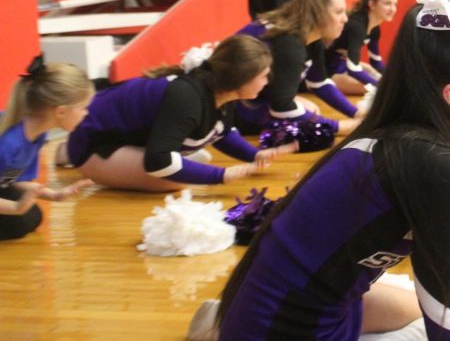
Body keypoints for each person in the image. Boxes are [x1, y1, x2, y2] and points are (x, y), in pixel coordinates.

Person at [206, 0, 450, 340]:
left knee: (417, 307)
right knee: (424, 325)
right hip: (285, 329)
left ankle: (217, 320)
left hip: (305, 309)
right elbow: (448, 325)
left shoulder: (405, 141)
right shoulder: (430, 160)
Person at [64, 36, 293, 192]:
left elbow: (221, 132)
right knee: (176, 180)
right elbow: (159, 163)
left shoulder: (217, 88)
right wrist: (221, 175)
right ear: (241, 78)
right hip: (92, 144)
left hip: (107, 132)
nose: (267, 81)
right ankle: (67, 152)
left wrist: (255, 155)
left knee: (190, 165)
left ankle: (65, 152)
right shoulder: (188, 96)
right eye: (263, 75)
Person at [236, 0, 362, 135]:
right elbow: (282, 108)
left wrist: (356, 113)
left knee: (307, 111)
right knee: (310, 128)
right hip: (234, 110)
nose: (345, 19)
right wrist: (341, 127)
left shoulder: (311, 36)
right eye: (339, 12)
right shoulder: (289, 45)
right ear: (317, 14)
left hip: (259, 100)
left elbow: (319, 83)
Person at [0, 57, 93, 240]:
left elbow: (8, 179)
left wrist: (55, 194)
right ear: (60, 111)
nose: (86, 113)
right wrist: (15, 208)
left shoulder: (36, 135)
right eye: (83, 107)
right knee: (20, 219)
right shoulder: (10, 143)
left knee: (32, 216)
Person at [324, 0, 398, 96]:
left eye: (395, 4)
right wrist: (382, 85)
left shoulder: (374, 29)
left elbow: (376, 62)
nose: (393, 9)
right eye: (388, 3)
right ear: (372, 4)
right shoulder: (357, 27)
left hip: (341, 64)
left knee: (373, 73)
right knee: (378, 89)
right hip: (326, 69)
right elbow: (353, 68)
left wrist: (391, 79)